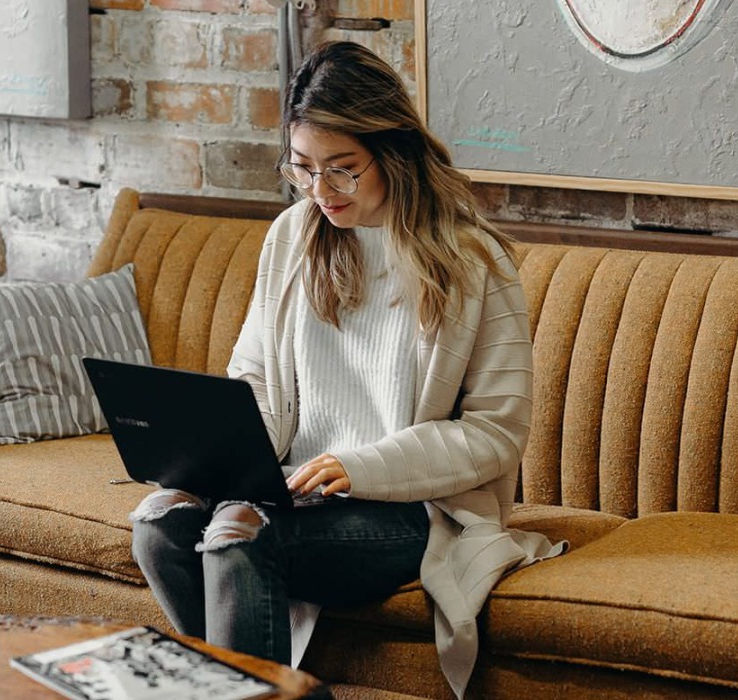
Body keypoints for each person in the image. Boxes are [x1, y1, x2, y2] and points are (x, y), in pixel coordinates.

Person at [128, 41, 562, 699]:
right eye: (303, 169)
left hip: (410, 507)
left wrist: (364, 467)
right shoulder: (291, 236)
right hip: (286, 488)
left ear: (392, 152)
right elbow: (256, 379)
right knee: (159, 524)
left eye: (343, 169)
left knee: (239, 536)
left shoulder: (473, 263)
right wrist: (218, 453)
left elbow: (496, 432)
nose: (321, 191)